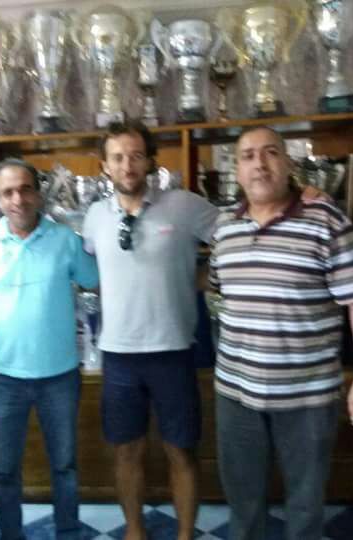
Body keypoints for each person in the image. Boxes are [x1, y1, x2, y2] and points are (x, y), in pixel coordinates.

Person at [209, 126, 353, 540]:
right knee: (243, 505)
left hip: (307, 397)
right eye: (248, 156)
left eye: (270, 152)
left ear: (287, 163)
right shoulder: (224, 227)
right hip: (236, 395)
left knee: (305, 507)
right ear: (237, 170)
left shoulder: (326, 221)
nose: (259, 164)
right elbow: (217, 294)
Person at [82, 120, 219, 540]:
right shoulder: (94, 217)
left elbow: (235, 234)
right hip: (118, 356)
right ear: (105, 166)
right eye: (118, 157)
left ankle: (185, 534)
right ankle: (135, 531)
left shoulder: (184, 205)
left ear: (151, 161)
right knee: (126, 451)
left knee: (182, 451)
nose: (127, 165)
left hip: (173, 351)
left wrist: (206, 279)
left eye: (136, 156)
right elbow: (92, 271)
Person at [0, 158, 99, 540]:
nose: (17, 199)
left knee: (65, 466)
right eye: (8, 192)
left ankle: (68, 531)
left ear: (38, 194)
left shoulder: (65, 241)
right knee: (4, 471)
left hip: (60, 376)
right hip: (4, 377)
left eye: (25, 189)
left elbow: (96, 281)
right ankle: (11, 534)